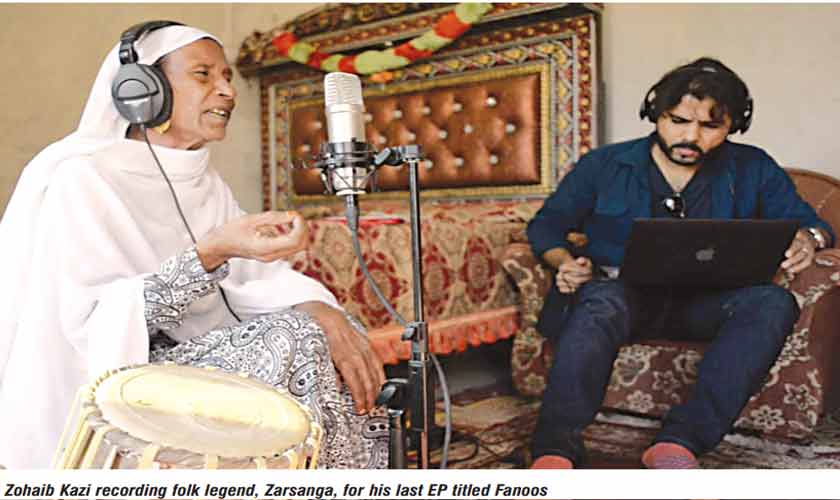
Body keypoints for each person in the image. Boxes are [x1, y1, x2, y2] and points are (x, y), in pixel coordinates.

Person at [0, 22, 387, 469]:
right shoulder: (81, 178)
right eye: (204, 75)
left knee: (334, 326)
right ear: (143, 89)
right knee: (295, 337)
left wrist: (318, 308)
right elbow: (92, 323)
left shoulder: (205, 181)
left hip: (195, 349)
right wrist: (210, 253)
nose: (227, 91)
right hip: (123, 365)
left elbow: (254, 282)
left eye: (226, 77)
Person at [526, 57, 835, 469]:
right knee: (600, 300)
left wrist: (809, 239)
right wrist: (565, 262)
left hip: (709, 304)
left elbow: (813, 225)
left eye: (710, 126)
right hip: (622, 299)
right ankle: (554, 448)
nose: (691, 136)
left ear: (733, 126)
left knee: (772, 302)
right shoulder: (603, 164)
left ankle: (680, 443)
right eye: (678, 121)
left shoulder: (753, 166)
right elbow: (546, 226)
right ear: (655, 112)